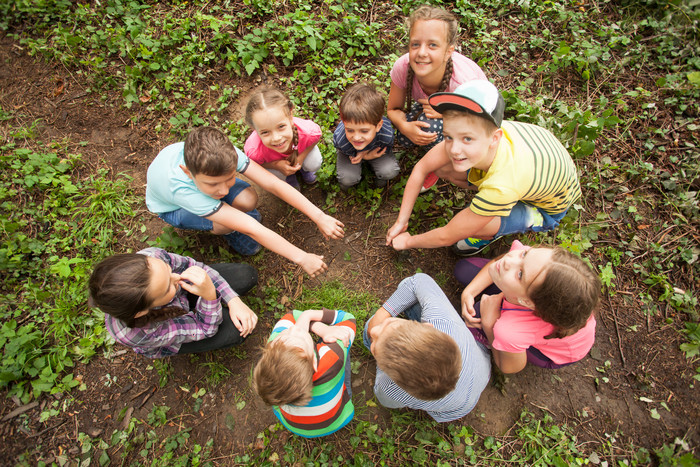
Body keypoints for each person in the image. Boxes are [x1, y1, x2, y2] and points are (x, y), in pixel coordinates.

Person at [386, 80, 582, 256]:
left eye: (467, 139)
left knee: (473, 226)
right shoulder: (480, 130)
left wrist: (409, 241)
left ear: (495, 137)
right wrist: (401, 221)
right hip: (536, 164)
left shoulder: (503, 185)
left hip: (546, 208)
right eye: (448, 137)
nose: (454, 149)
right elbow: (422, 168)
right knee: (444, 167)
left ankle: (492, 229)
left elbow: (447, 235)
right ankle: (488, 206)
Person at [146, 126, 344, 277]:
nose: (223, 191)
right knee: (227, 225)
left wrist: (319, 216)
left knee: (248, 199)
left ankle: (225, 212)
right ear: (188, 172)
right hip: (175, 208)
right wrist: (302, 257)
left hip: (196, 189)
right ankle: (230, 231)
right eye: (213, 184)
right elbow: (251, 228)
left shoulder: (222, 153)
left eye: (229, 178)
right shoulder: (181, 190)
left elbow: (272, 183)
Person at [456, 240, 601, 373]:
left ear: (527, 302)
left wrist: (489, 325)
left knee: (476, 315)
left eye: (520, 274)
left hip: (554, 353)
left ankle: (496, 341)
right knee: (463, 270)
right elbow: (502, 261)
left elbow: (510, 367)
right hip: (527, 301)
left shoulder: (509, 331)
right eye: (524, 254)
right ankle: (511, 287)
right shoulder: (538, 264)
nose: (509, 260)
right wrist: (469, 292)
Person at [363, 273, 490, 422]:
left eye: (375, 347)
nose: (374, 331)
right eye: (389, 323)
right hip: (481, 369)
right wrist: (383, 315)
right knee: (410, 287)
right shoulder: (442, 322)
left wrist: (381, 316)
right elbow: (420, 280)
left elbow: (384, 398)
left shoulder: (389, 389)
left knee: (369, 325)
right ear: (429, 326)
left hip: (460, 399)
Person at [88, 247, 258, 358]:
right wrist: (209, 296)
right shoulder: (141, 333)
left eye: (169, 271)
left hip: (181, 301)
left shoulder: (151, 258)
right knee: (236, 331)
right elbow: (205, 329)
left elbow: (192, 265)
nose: (177, 277)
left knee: (246, 276)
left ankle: (198, 303)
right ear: (142, 310)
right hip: (173, 331)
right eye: (167, 286)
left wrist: (233, 300)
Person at [387, 4, 487, 190]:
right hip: (432, 110)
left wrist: (446, 112)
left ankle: (439, 164)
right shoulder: (403, 67)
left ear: (449, 51)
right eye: (415, 44)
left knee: (432, 126)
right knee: (405, 136)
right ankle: (432, 147)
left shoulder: (464, 82)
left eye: (432, 45)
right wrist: (405, 126)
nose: (422, 52)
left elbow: (483, 122)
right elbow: (393, 109)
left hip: (472, 118)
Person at [253, 308, 356, 438]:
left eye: (287, 333)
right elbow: (348, 318)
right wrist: (310, 318)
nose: (295, 329)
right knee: (341, 350)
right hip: (338, 419)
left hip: (296, 428)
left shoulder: (273, 346)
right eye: (301, 337)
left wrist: (305, 327)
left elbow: (292, 318)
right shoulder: (332, 358)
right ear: (313, 362)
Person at [244, 87, 322, 189]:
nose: (276, 138)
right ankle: (287, 177)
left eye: (281, 127)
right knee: (276, 175)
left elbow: (315, 139)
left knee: (313, 162)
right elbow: (255, 165)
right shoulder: (254, 151)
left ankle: (305, 170)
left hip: (300, 154)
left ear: (290, 117)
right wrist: (275, 165)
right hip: (275, 165)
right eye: (265, 132)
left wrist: (301, 158)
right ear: (254, 129)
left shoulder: (308, 132)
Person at [332, 83, 400, 190]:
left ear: (378, 126)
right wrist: (363, 156)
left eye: (364, 131)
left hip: (376, 149)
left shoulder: (386, 134)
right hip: (350, 152)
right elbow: (343, 150)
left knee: (389, 171)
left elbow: (385, 149)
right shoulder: (342, 140)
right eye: (350, 130)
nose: (356, 137)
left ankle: (381, 181)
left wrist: (365, 154)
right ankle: (346, 187)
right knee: (347, 179)